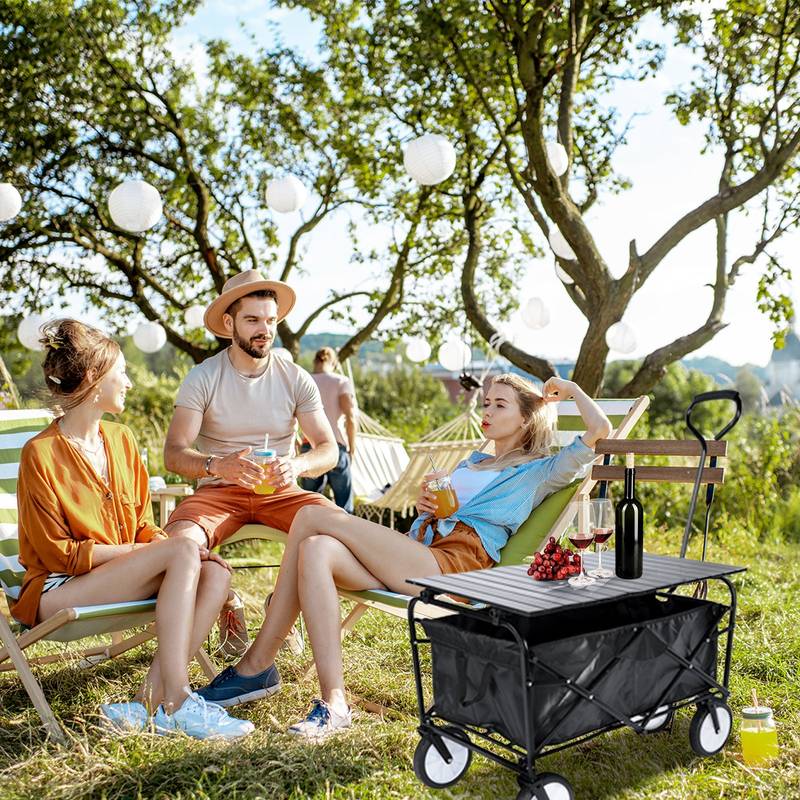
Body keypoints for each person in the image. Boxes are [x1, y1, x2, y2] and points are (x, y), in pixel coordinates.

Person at [196, 373, 612, 738]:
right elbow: (443, 510)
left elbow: (601, 429)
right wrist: (425, 506)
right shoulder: (474, 460)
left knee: (308, 515)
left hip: (455, 569)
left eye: (500, 404)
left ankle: (256, 667)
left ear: (525, 418)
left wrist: (571, 390)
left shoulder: (540, 469)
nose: (487, 410)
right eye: (486, 402)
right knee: (316, 547)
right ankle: (334, 703)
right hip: (420, 552)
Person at [13, 319, 253, 739]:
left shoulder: (121, 439)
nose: (128, 381)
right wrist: (152, 554)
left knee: (214, 569)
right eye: (120, 372)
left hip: (116, 579)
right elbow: (57, 555)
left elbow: (142, 526)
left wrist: (175, 553)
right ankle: (179, 700)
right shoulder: (41, 454)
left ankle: (147, 704)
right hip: (58, 588)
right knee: (181, 549)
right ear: (92, 379)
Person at [163, 270, 339, 656]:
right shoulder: (203, 377)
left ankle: (280, 606)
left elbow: (329, 448)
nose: (264, 330)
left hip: (280, 490)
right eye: (253, 320)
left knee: (338, 533)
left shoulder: (296, 378)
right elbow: (174, 452)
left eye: (271, 320)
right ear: (228, 324)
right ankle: (227, 600)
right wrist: (216, 466)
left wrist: (297, 465)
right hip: (218, 492)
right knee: (176, 545)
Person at [299, 347, 358, 513]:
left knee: (310, 505)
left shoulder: (304, 380)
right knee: (344, 507)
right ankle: (344, 538)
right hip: (336, 447)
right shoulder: (341, 381)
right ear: (333, 363)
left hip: (309, 446)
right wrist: (351, 448)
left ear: (315, 361)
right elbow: (350, 418)